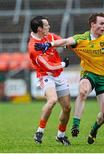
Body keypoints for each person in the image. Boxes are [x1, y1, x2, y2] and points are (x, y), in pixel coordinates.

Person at [34, 12, 104, 144]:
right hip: (88, 74)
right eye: (101, 23)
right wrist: (48, 45)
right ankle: (75, 124)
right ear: (92, 24)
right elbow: (67, 41)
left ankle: (94, 130)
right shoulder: (82, 39)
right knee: (83, 90)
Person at [28, 16, 71, 145]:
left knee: (67, 108)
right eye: (46, 25)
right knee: (52, 100)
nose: (49, 27)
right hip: (46, 75)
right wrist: (63, 64)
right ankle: (40, 131)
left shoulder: (50, 36)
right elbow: (48, 67)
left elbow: (64, 41)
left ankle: (61, 135)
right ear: (40, 29)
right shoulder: (33, 47)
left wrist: (71, 44)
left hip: (59, 75)